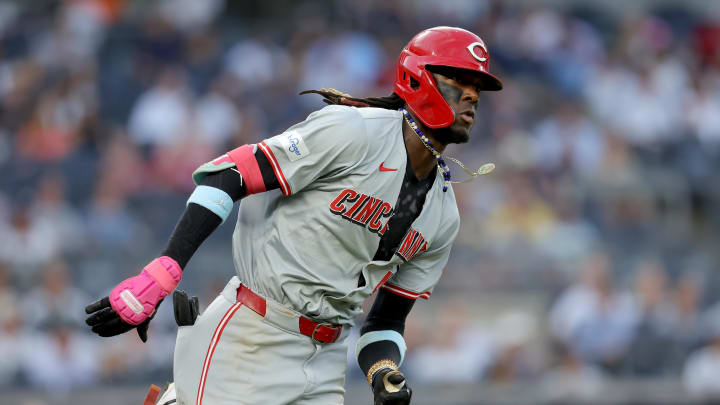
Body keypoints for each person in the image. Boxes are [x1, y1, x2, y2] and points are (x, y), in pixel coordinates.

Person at [85, 26, 503, 405]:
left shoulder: (444, 212)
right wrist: (164, 271)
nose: (471, 95)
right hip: (252, 338)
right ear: (416, 78)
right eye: (459, 80)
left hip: (326, 361)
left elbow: (386, 321)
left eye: (478, 87)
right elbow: (227, 175)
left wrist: (383, 370)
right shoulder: (354, 132)